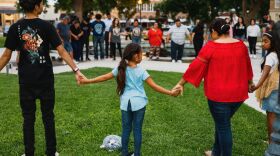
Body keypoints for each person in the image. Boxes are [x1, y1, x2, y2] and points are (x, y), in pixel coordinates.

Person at [0, 0, 85, 155]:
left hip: (26, 80)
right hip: (45, 79)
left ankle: (29, 152)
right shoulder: (47, 26)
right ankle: (51, 152)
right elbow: (62, 51)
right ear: (36, 6)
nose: (43, 6)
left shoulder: (15, 27)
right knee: (48, 117)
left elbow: (6, 55)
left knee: (28, 118)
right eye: (41, 3)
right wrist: (76, 70)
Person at [79, 43, 180, 156]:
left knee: (126, 129)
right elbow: (155, 86)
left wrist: (87, 81)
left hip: (125, 103)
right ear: (136, 56)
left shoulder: (121, 69)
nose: (142, 56)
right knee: (137, 130)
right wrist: (170, 93)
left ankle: (124, 153)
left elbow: (104, 77)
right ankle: (137, 154)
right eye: (141, 54)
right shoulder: (141, 71)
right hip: (139, 104)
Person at [173, 18, 253, 156]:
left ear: (215, 31)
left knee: (223, 126)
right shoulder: (241, 45)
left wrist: (180, 83)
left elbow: (195, 67)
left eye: (211, 32)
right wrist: (250, 83)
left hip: (219, 96)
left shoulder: (211, 46)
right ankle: (216, 152)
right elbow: (247, 66)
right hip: (238, 95)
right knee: (222, 123)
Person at [250, 31, 279, 143]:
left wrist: (256, 87)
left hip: (271, 92)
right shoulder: (277, 54)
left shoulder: (271, 56)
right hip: (277, 89)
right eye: (262, 41)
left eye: (266, 41)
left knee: (271, 116)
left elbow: (264, 75)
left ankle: (271, 142)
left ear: (273, 43)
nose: (263, 44)